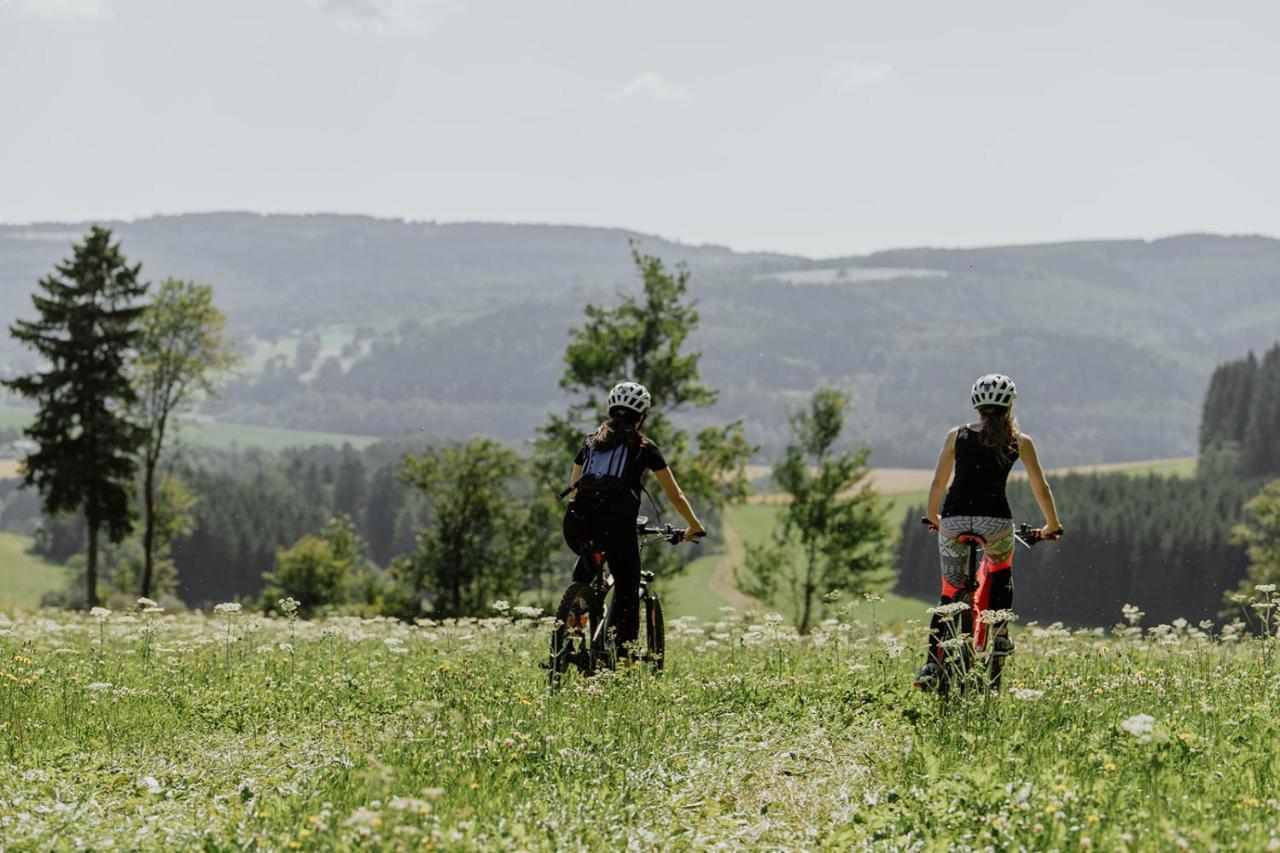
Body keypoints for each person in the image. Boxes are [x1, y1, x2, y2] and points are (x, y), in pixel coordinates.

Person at [914, 373, 1063, 690]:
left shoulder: (957, 435)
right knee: (1001, 568)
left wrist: (932, 515)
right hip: (995, 521)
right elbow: (1041, 488)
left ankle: (930, 664)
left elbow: (938, 483)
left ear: (976, 405)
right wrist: (1052, 525)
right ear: (1009, 405)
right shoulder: (1020, 441)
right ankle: (1001, 635)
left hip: (953, 521)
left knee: (950, 591)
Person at [563, 380, 706, 657]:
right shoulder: (643, 445)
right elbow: (675, 495)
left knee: (586, 565)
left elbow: (575, 487)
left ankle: (572, 618)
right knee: (627, 589)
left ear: (611, 410)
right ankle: (618, 652)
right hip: (617, 527)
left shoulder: (591, 441)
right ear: (641, 417)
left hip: (577, 523)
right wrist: (694, 526)